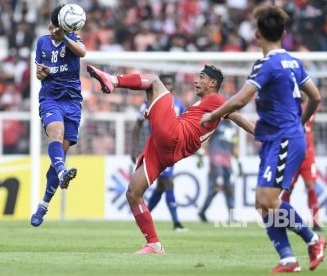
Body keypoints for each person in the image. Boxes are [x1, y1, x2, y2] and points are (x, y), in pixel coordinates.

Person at [200, 5, 326, 273]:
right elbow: (315, 96)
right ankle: (288, 259)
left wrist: (214, 114)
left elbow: (241, 99)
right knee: (262, 202)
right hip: (280, 138)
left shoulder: (266, 64)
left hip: (283, 139)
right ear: (283, 33)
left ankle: (314, 240)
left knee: (268, 200)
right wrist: (300, 124)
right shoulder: (294, 62)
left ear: (257, 34)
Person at [87, 63, 254, 254]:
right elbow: (225, 115)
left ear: (213, 83)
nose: (196, 80)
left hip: (174, 137)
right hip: (166, 152)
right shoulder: (207, 105)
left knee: (154, 81)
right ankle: (154, 244)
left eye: (201, 77)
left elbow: (236, 115)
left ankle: (113, 80)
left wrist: (258, 133)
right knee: (133, 193)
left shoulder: (215, 99)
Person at [30, 4, 86, 227]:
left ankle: (43, 205)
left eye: (55, 27)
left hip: (72, 101)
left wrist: (64, 37)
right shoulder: (42, 42)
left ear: (63, 27)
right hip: (50, 98)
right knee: (56, 132)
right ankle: (63, 172)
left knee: (58, 157)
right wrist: (40, 73)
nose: (51, 30)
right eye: (50, 26)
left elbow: (82, 53)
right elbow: (38, 72)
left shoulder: (73, 38)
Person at [131, 74, 187, 232]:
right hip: (157, 149)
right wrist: (134, 147)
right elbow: (136, 126)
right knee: (168, 183)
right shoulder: (149, 104)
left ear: (173, 87)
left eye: (170, 83)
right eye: (165, 83)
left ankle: (142, 216)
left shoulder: (179, 105)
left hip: (172, 149)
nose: (168, 86)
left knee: (161, 188)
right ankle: (177, 223)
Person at [282, 93, 322, 232]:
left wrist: (311, 146)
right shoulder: (289, 108)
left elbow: (312, 129)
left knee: (311, 187)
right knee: (288, 188)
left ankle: (316, 223)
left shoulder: (312, 107)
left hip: (308, 155)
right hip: (293, 154)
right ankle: (285, 220)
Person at [197, 119, 242, 223]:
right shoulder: (216, 124)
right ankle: (203, 211)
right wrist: (201, 154)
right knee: (217, 186)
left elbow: (234, 146)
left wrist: (239, 164)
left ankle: (231, 216)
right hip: (215, 159)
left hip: (227, 161)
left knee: (230, 187)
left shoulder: (233, 128)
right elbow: (206, 140)